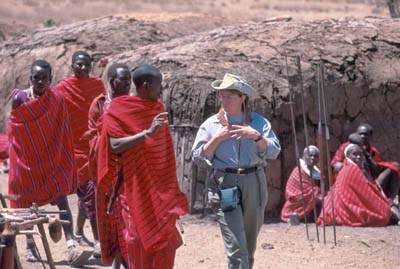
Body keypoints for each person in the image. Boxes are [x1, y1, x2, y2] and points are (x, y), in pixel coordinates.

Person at [97, 63, 188, 268]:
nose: (161, 90)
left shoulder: (157, 109)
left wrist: (171, 193)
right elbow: (115, 145)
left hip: (158, 191)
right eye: (159, 86)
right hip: (132, 187)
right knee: (136, 240)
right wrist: (147, 133)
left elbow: (164, 155)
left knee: (165, 241)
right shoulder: (119, 109)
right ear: (146, 85)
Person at [192, 73, 281, 269]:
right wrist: (217, 139)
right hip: (226, 186)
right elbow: (198, 157)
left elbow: (274, 151)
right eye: (222, 96)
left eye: (230, 96)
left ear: (242, 98)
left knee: (248, 245)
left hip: (253, 183)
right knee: (236, 244)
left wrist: (257, 137)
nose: (225, 100)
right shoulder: (211, 125)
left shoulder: (259, 123)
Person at [8, 60, 91, 266]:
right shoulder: (20, 98)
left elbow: (61, 130)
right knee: (24, 203)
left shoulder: (56, 99)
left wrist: (58, 156)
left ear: (50, 79)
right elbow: (15, 127)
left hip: (49, 160)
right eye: (36, 78)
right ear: (30, 78)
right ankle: (30, 245)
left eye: (44, 78)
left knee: (61, 200)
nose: (40, 81)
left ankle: (71, 245)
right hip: (25, 160)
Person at [55, 51, 106, 257]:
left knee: (91, 197)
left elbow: (103, 113)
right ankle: (85, 242)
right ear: (72, 66)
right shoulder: (63, 88)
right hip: (69, 151)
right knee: (77, 197)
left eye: (86, 65)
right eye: (79, 65)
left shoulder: (97, 86)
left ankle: (89, 238)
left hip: (93, 148)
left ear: (91, 66)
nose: (83, 68)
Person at [89, 63, 131, 269]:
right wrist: (106, 143)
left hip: (129, 172)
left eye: (129, 80)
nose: (127, 84)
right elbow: (93, 138)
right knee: (110, 222)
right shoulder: (99, 105)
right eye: (123, 80)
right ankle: (116, 264)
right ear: (112, 81)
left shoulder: (135, 104)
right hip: (105, 171)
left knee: (126, 222)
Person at [319, 143, 396, 226]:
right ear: (347, 156)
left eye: (360, 154)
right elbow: (365, 191)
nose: (358, 157)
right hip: (347, 206)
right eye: (355, 154)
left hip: (344, 204)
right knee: (382, 213)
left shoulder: (350, 167)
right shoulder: (351, 169)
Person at [331, 124, 400, 204]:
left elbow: (377, 171)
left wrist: (367, 155)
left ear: (370, 136)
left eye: (365, 134)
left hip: (370, 184)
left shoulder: (373, 152)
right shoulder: (346, 147)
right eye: (360, 134)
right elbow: (334, 165)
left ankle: (390, 201)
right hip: (352, 183)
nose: (362, 136)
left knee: (395, 167)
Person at [281, 145, 322, 223]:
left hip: (314, 197)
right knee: (315, 193)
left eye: (315, 156)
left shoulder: (318, 172)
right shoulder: (298, 171)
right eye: (310, 155)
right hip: (298, 199)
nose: (313, 158)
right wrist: (315, 192)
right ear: (304, 156)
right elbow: (291, 190)